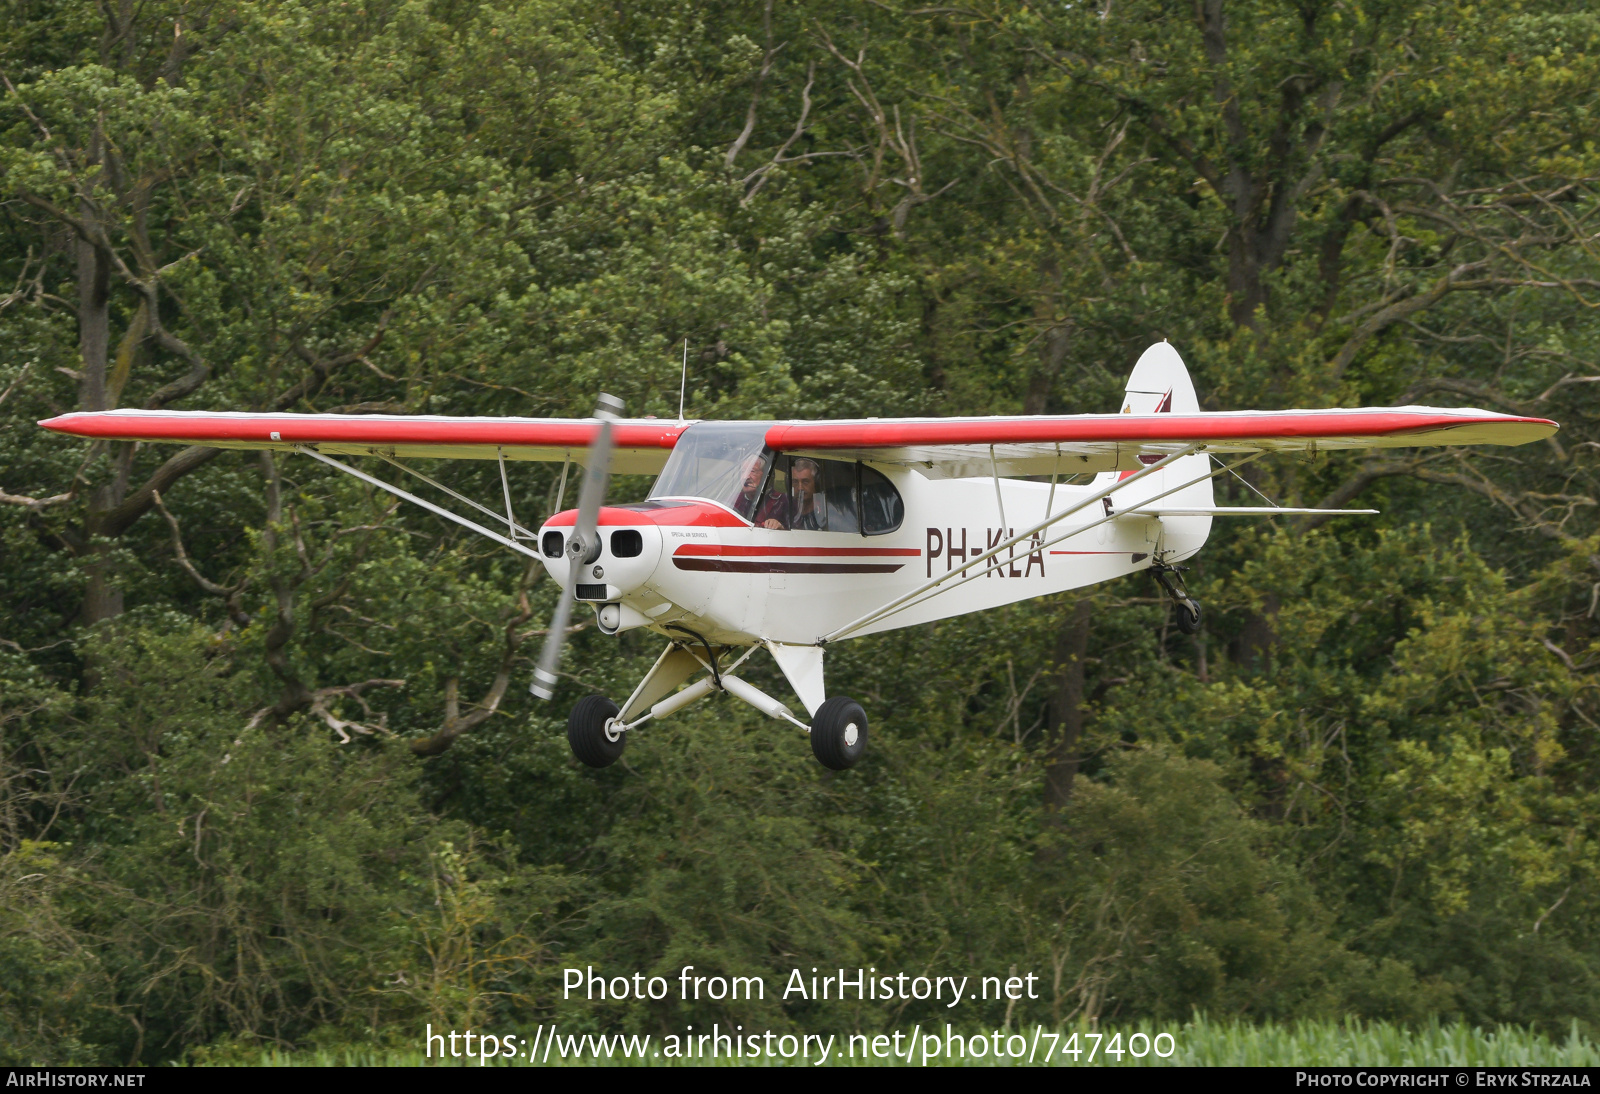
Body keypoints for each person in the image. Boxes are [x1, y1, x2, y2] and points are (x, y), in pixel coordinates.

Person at [732, 456, 789, 528]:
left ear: (767, 475)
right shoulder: (734, 500)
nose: (745, 477)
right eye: (743, 472)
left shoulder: (783, 501)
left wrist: (780, 526)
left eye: (752, 471)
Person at [790, 458, 823, 530]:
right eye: (795, 482)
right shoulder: (785, 511)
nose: (800, 488)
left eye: (805, 482)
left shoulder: (824, 513)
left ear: (816, 484)